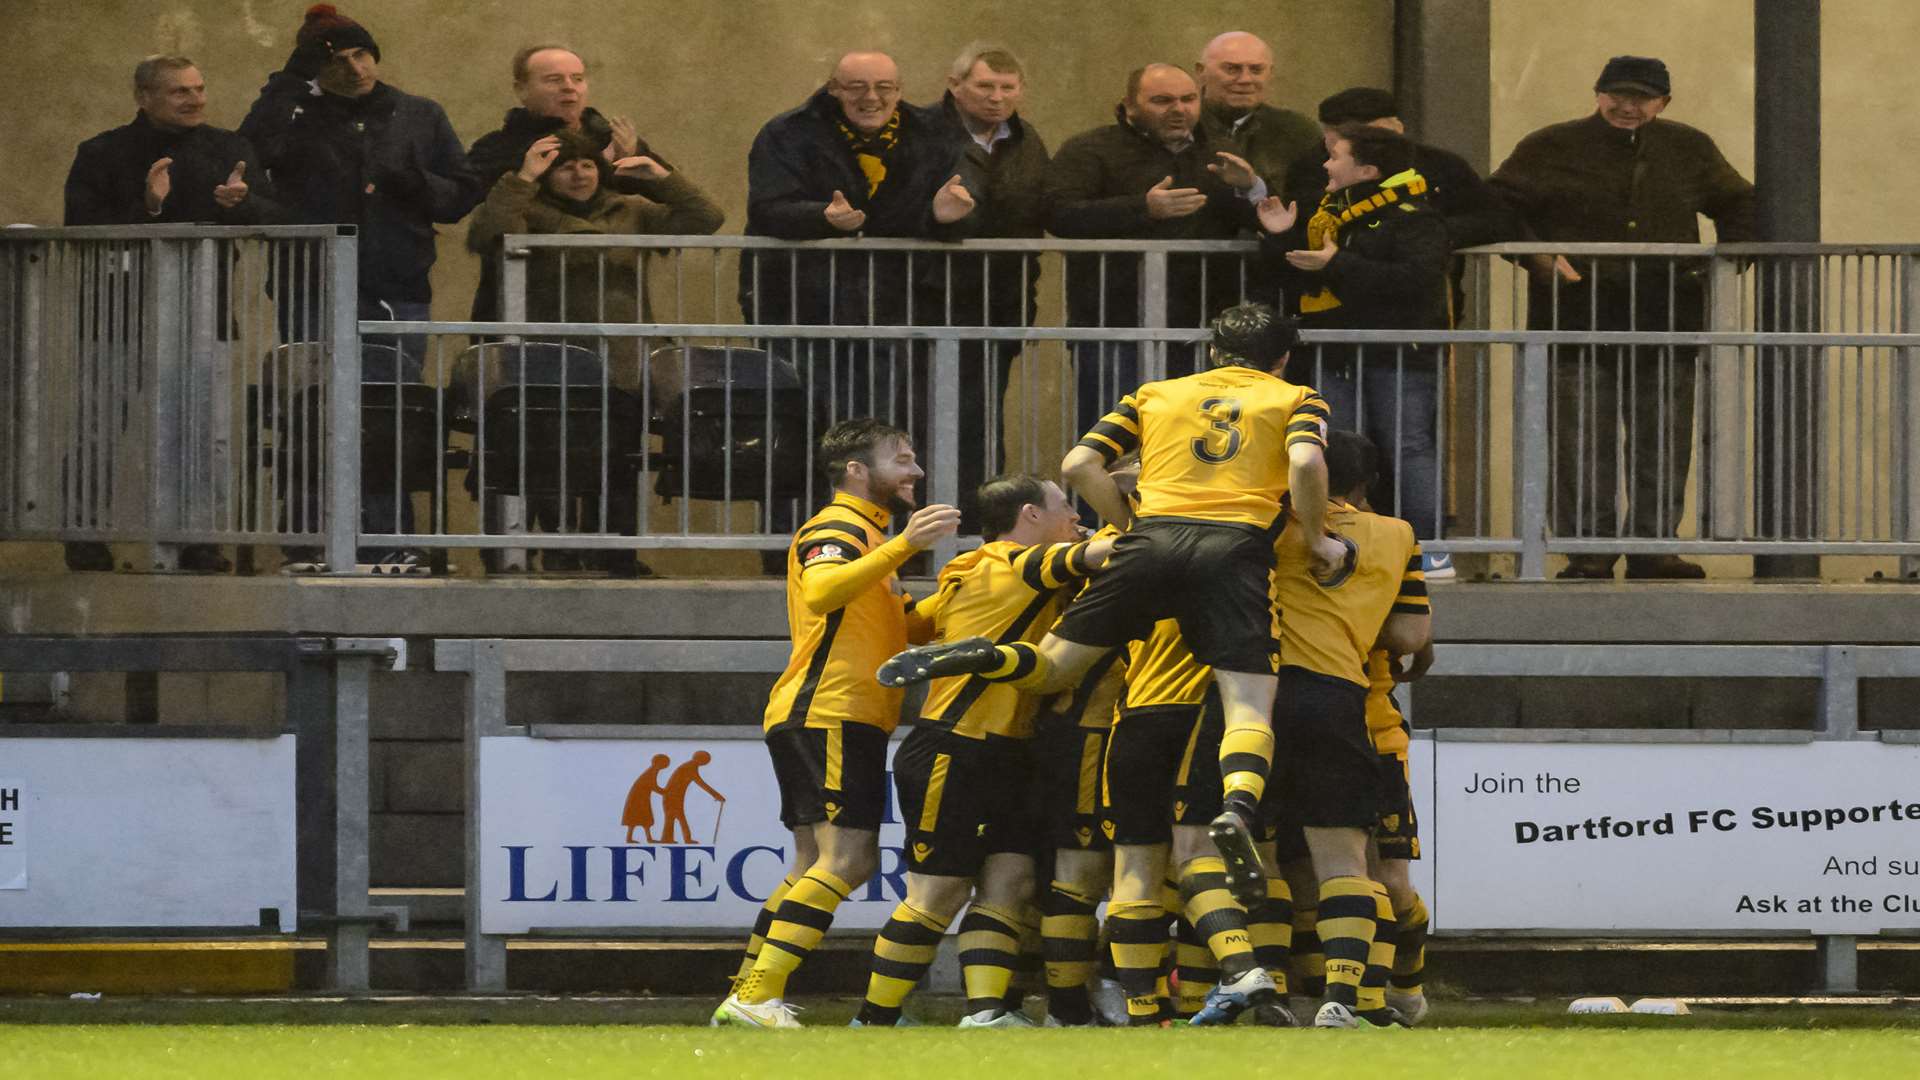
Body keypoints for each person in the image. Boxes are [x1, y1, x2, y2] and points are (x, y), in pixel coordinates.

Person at [880, 303, 1344, 916]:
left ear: (1211, 352)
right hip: (1234, 547)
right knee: (1247, 704)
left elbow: (1079, 464)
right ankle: (1236, 808)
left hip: (1149, 541)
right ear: (1282, 358)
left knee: (1052, 668)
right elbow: (1307, 462)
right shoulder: (1296, 398)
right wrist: (1316, 538)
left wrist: (1129, 525)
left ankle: (984, 655)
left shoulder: (1155, 393)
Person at [713, 419, 960, 1029]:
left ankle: (748, 995)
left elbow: (909, 628)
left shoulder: (872, 541)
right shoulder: (839, 528)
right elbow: (823, 591)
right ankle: (753, 996)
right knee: (849, 860)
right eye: (901, 459)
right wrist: (904, 546)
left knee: (809, 867)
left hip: (826, 712)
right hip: (831, 711)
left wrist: (971, 588)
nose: (916, 472)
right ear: (855, 469)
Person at [852, 474, 1112, 1029]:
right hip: (954, 746)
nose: (1074, 516)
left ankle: (988, 1013)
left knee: (1010, 884)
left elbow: (918, 625)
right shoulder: (1012, 562)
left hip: (1012, 751)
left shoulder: (969, 570)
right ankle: (872, 1021)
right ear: (1030, 516)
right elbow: (1101, 551)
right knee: (938, 892)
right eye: (1065, 505)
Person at [1489, 55, 1755, 580]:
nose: (1629, 106)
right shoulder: (1548, 146)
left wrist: (1726, 264)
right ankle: (1591, 550)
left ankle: (1651, 547)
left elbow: (1740, 204)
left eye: (1642, 97)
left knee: (1663, 438)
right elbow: (1497, 205)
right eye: (1619, 94)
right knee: (1581, 440)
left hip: (1666, 316)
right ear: (1598, 93)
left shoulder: (1690, 147)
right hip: (1577, 318)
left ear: (1663, 103)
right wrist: (1536, 256)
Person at [239, 3, 484, 569]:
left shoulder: (418, 114)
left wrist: (414, 183)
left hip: (396, 282)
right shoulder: (294, 111)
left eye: (362, 53)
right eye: (338, 59)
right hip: (312, 282)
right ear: (312, 67)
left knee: (389, 410)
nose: (354, 68)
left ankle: (389, 538)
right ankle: (310, 536)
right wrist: (291, 79)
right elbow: (250, 149)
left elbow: (464, 190)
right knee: (312, 408)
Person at [465, 129, 723, 575]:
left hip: (621, 360)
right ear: (549, 173)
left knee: (619, 460)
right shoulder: (529, 210)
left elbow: (706, 217)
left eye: (586, 164)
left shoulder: (632, 211)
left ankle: (616, 554)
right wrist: (522, 177)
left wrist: (659, 175)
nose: (578, 173)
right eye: (566, 165)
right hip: (548, 364)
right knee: (548, 461)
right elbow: (486, 233)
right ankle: (557, 552)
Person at [62, 54, 279, 574]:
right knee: (100, 427)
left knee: (203, 433)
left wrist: (240, 205)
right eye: (181, 91)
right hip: (117, 315)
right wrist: (149, 209)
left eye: (200, 88)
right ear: (144, 97)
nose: (196, 99)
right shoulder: (102, 153)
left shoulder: (231, 149)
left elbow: (276, 216)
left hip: (203, 313)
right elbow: (81, 227)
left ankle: (198, 539)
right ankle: (83, 534)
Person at [740, 51, 976, 498]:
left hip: (899, 306)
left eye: (884, 88)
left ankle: (889, 541)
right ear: (833, 89)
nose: (872, 98)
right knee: (807, 426)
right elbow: (767, 208)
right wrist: (822, 219)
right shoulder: (787, 132)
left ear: (900, 91)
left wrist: (944, 216)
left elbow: (963, 201)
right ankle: (801, 540)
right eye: (857, 88)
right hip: (802, 306)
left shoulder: (931, 133)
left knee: (893, 430)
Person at [1266, 429, 1431, 1028]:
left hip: (1265, 706)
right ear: (1366, 484)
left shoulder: (1270, 526)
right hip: (1364, 720)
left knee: (1281, 869)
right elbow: (1412, 639)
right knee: (1375, 875)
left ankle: (1273, 996)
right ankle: (1380, 994)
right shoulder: (1398, 535)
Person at [1259, 124, 1452, 575]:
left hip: (1401, 352)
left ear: (1367, 169)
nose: (1325, 164)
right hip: (1335, 351)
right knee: (1338, 446)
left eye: (1336, 156)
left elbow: (1415, 281)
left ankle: (1430, 549)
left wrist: (1338, 264)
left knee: (1408, 446)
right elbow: (1298, 279)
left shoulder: (1414, 217)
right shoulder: (1329, 215)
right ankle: (1340, 541)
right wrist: (1281, 237)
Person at [1044, 64, 1266, 439]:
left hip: (1204, 323)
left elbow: (1263, 219)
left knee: (1197, 441)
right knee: (1115, 441)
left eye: (1188, 99)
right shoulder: (1090, 149)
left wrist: (1252, 188)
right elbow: (1057, 213)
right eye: (1162, 100)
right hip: (1113, 321)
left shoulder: (1221, 153)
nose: (1178, 109)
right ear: (1129, 106)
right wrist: (1142, 209)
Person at [926, 44, 1051, 533]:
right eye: (985, 87)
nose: (997, 98)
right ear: (955, 85)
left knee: (982, 420)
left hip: (1002, 296)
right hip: (930, 295)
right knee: (927, 418)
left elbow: (1039, 205)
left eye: (1007, 88)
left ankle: (975, 528)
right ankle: (925, 531)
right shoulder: (924, 131)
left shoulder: (1025, 138)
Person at [466, 43, 681, 322]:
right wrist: (526, 170)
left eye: (577, 79)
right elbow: (481, 210)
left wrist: (630, 159)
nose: (569, 87)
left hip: (609, 302)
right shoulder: (497, 147)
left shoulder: (611, 139)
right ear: (521, 90)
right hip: (526, 301)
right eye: (554, 80)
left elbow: (671, 199)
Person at [1194, 31, 1320, 192]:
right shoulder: (1177, 127)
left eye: (1256, 70)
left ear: (1270, 74)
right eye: (1232, 69)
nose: (1245, 79)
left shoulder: (1300, 133)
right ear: (1200, 72)